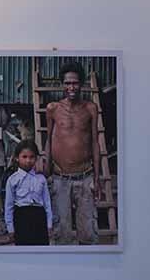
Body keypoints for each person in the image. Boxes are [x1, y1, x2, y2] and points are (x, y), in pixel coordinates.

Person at [45, 62, 100, 245]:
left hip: (85, 177)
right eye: (67, 83)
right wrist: (47, 175)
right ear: (62, 84)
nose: (71, 87)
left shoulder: (90, 108)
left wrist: (97, 178)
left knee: (88, 234)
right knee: (62, 234)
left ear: (82, 84)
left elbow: (94, 143)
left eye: (75, 83)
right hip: (60, 178)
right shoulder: (53, 109)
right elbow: (49, 141)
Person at [4, 139, 53, 245]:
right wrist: (10, 229)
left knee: (41, 250)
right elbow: (9, 206)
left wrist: (49, 225)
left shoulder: (41, 179)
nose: (28, 160)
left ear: (36, 158)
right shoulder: (12, 180)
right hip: (21, 218)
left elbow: (47, 204)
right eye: (24, 157)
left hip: (39, 218)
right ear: (17, 158)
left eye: (31, 157)